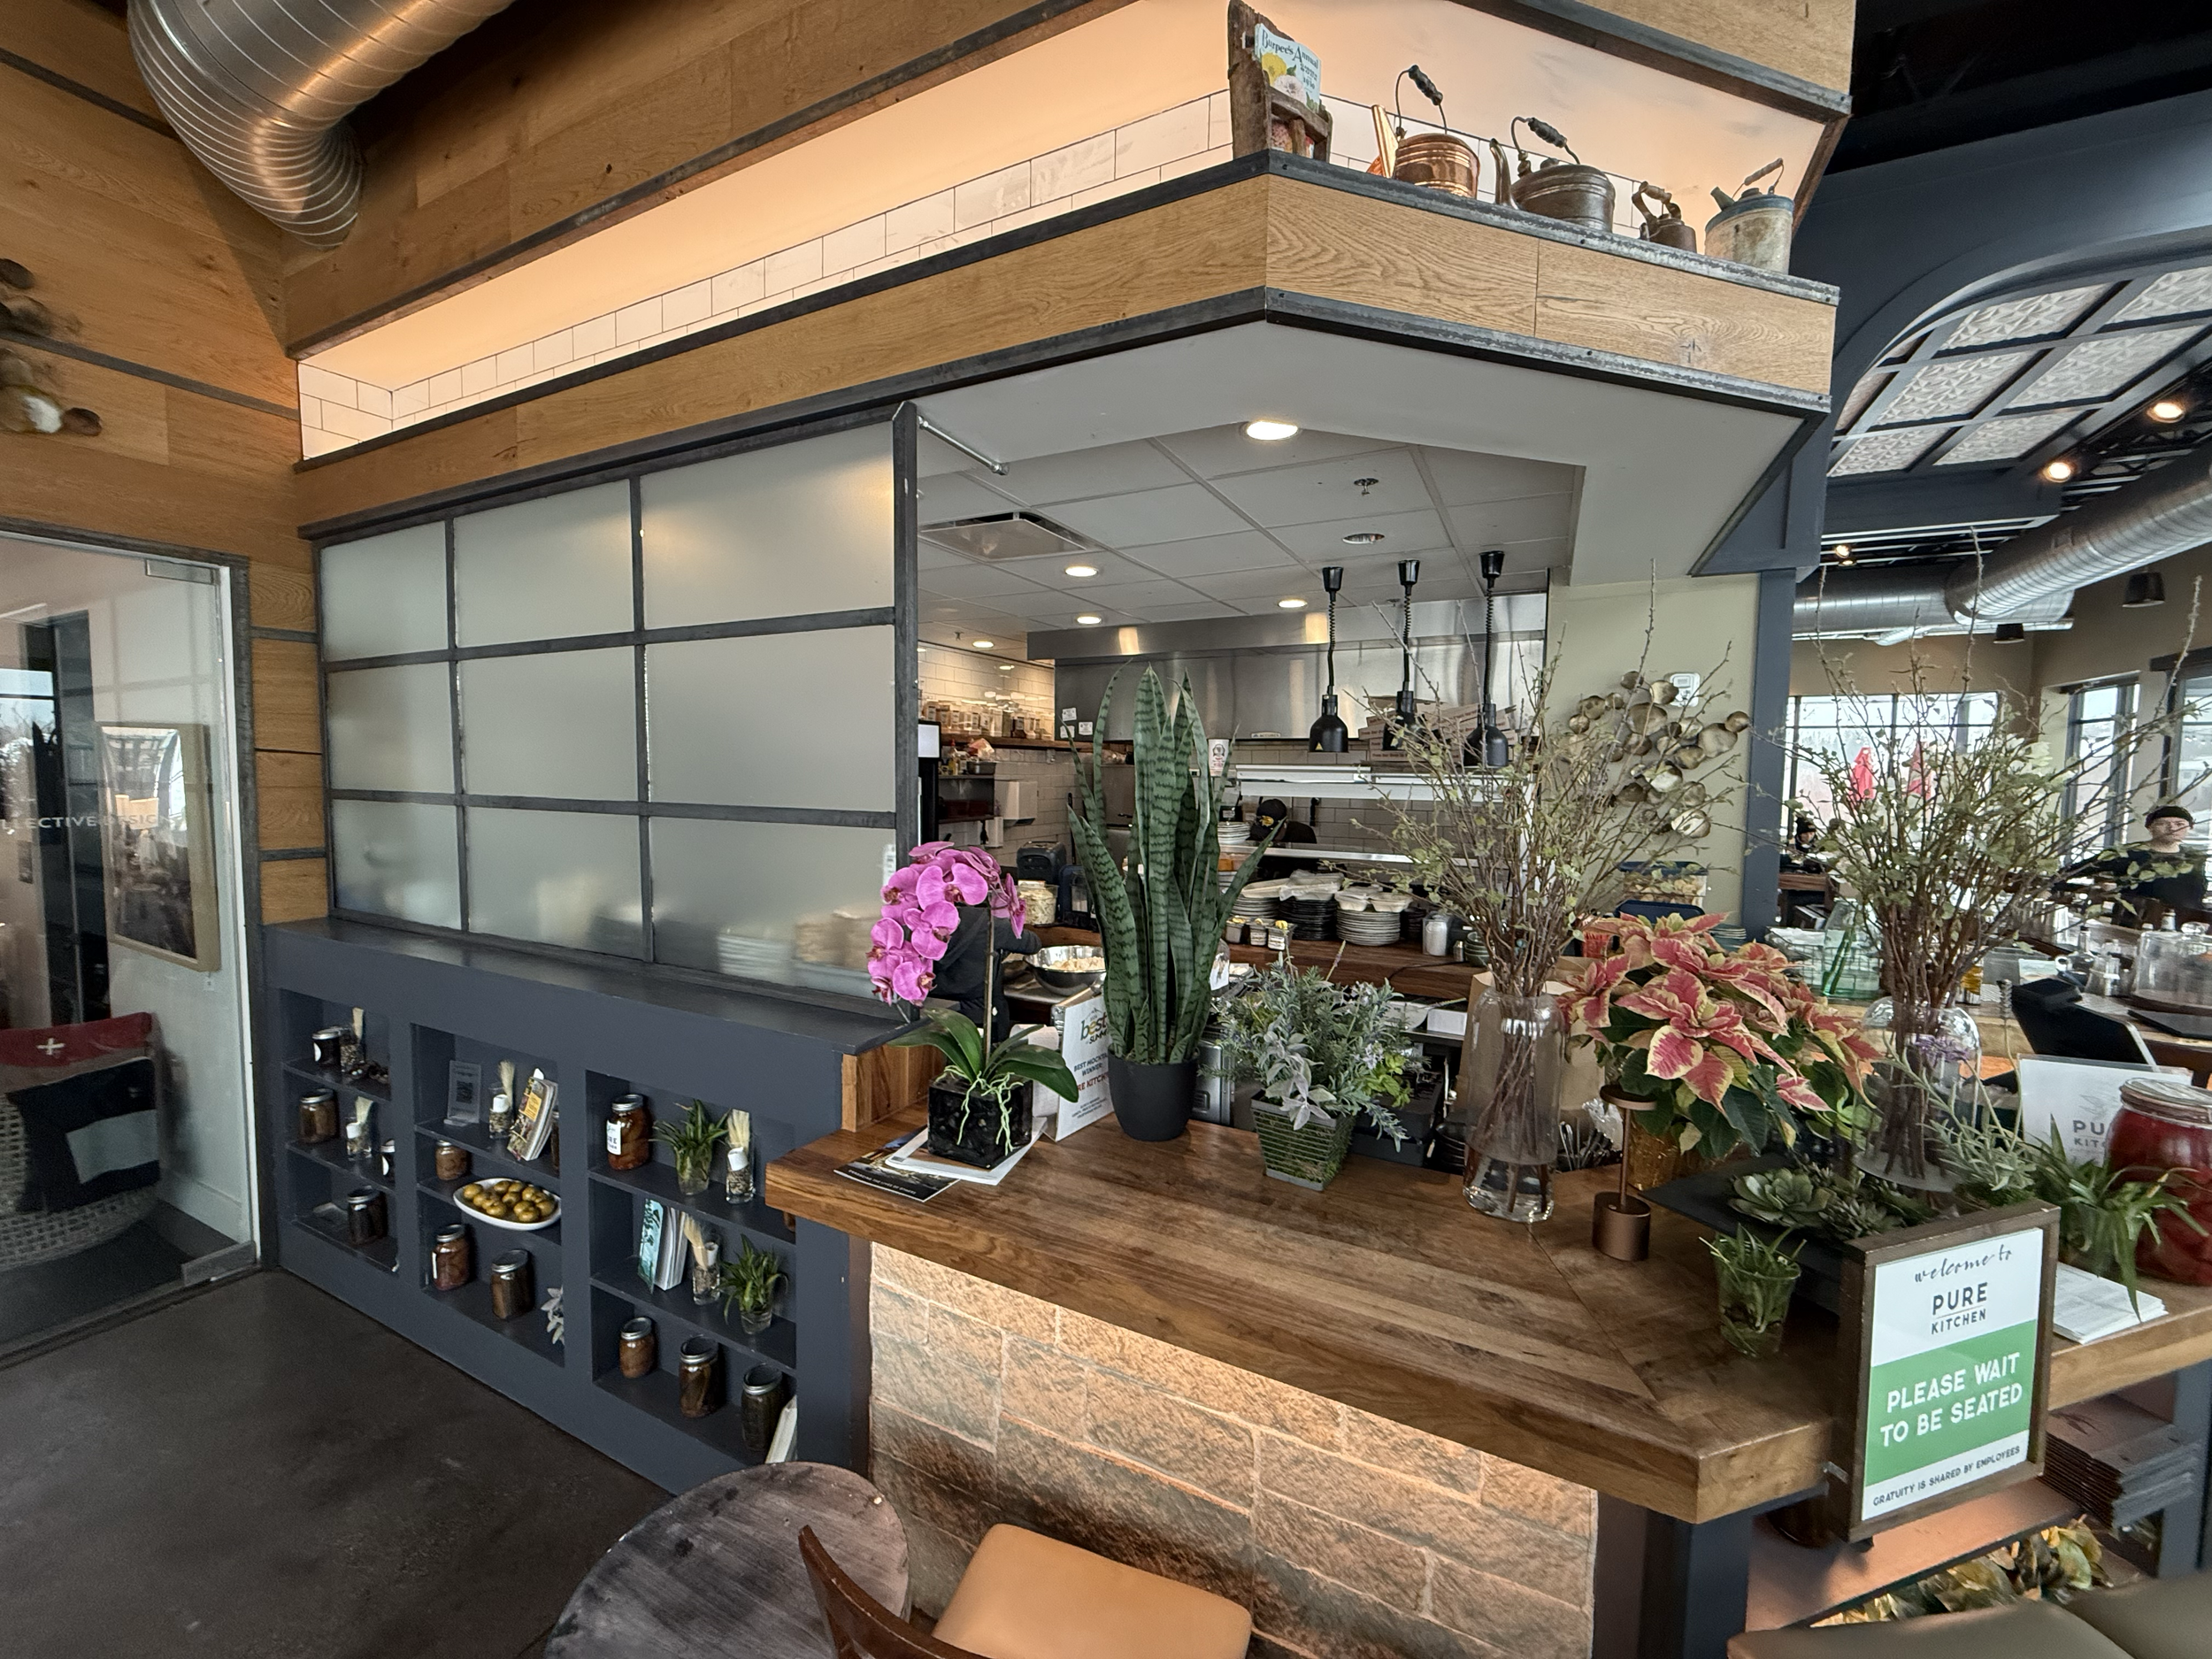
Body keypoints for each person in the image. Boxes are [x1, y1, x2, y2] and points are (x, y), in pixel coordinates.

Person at [2061, 804, 2207, 927]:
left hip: (2186, 924)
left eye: (2179, 824)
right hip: (2138, 922)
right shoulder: (2126, 853)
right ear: (2150, 828)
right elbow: (2073, 871)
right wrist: (2050, 888)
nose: (2172, 828)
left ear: (2189, 828)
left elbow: (2197, 891)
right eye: (2163, 823)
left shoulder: (2194, 857)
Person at [931, 903, 1042, 1043]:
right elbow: (1033, 944)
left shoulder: (923, 917)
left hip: (930, 1012)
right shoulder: (991, 923)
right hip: (980, 1017)